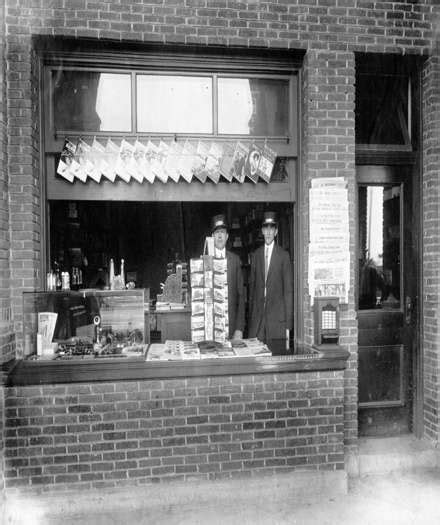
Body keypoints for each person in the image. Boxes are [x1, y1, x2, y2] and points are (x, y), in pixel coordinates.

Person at [248, 211, 293, 353]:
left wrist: (288, 325)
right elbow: (252, 290)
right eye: (265, 228)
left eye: (271, 229)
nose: (268, 232)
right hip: (258, 321)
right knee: (257, 358)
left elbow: (288, 292)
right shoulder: (256, 255)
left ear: (276, 231)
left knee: (276, 358)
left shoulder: (283, 256)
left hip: (277, 322)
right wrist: (251, 321)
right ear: (262, 231)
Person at [211, 214, 245, 340]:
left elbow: (241, 296)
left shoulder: (235, 260)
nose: (220, 236)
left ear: (227, 236)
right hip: (212, 328)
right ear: (213, 236)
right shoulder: (206, 260)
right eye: (217, 232)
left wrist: (239, 328)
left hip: (231, 328)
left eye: (223, 232)